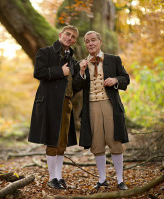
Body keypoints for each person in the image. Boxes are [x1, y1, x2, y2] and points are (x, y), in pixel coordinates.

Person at [73, 31, 130, 190]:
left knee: (115, 141)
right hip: (91, 106)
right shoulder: (81, 63)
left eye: (93, 40)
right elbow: (75, 87)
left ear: (100, 42)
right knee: (97, 143)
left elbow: (126, 78)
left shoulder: (113, 59)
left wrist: (116, 80)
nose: (90, 44)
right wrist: (82, 72)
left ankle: (120, 180)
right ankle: (102, 179)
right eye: (87, 41)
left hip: (110, 105)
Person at [28, 25, 80, 189]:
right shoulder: (45, 52)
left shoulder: (72, 59)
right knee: (52, 140)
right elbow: (38, 72)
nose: (69, 38)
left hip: (66, 102)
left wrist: (82, 72)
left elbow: (74, 85)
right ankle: (52, 179)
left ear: (74, 41)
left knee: (62, 142)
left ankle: (59, 177)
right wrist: (60, 71)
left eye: (73, 37)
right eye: (67, 34)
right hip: (49, 103)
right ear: (60, 34)